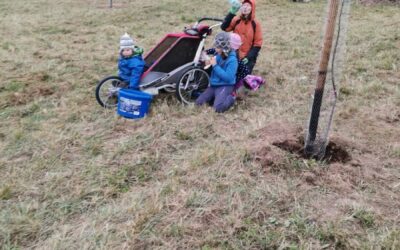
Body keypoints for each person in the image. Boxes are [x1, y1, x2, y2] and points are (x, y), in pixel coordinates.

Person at [196, 32, 238, 113]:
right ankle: (216, 97)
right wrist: (209, 63)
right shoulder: (218, 55)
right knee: (198, 103)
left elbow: (228, 78)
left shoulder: (233, 60)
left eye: (217, 47)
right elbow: (214, 69)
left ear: (224, 47)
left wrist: (215, 66)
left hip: (225, 86)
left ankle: (232, 97)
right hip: (214, 85)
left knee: (218, 108)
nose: (215, 48)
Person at [221, 0, 263, 74]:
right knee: (229, 74)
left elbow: (258, 44)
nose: (245, 7)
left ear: (252, 8)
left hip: (247, 57)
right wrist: (231, 13)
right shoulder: (237, 20)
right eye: (244, 5)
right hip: (233, 54)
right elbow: (224, 27)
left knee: (243, 78)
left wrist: (248, 57)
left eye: (248, 6)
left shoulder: (255, 24)